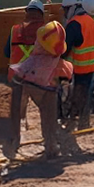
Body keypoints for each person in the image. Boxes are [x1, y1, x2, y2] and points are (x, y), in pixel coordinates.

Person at [6, 21, 73, 159]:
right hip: (48, 86)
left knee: (16, 110)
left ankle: (13, 142)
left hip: (26, 79)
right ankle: (51, 147)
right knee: (49, 118)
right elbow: (67, 76)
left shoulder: (36, 44)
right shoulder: (58, 63)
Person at [62, 0, 94, 130]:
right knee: (85, 96)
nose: (64, 13)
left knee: (73, 96)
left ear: (71, 8)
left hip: (78, 68)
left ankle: (71, 123)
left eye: (65, 9)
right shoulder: (92, 22)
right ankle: (84, 123)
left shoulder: (74, 24)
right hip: (91, 67)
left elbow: (65, 48)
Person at [4, 0, 46, 79]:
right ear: (41, 15)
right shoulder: (46, 32)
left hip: (15, 78)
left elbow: (6, 53)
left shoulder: (15, 30)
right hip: (36, 80)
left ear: (27, 13)